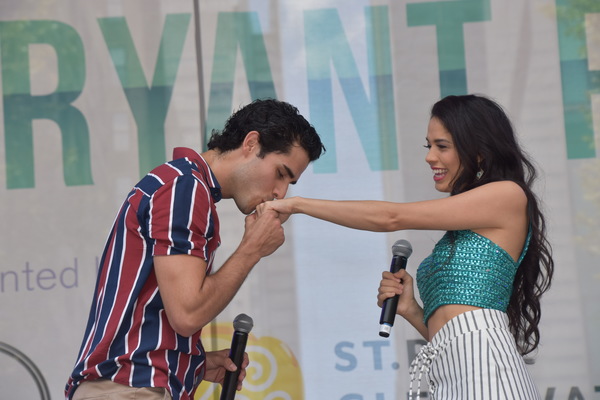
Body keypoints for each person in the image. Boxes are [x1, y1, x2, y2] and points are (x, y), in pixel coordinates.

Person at [257, 94, 554, 399]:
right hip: (450, 373)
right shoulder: (466, 223)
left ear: (478, 152)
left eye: (442, 146)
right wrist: (411, 310)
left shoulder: (507, 195)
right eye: (429, 146)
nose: (430, 157)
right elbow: (449, 331)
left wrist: (297, 205)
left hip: (487, 371)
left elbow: (391, 217)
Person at [65, 98, 325, 400]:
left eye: (289, 183)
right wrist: (252, 249)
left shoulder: (184, 185)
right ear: (251, 143)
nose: (281, 192)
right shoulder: (185, 188)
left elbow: (153, 310)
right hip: (129, 389)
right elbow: (187, 314)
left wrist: (193, 365)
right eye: (281, 173)